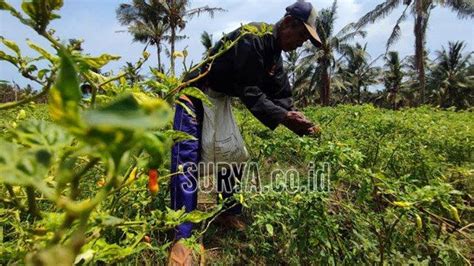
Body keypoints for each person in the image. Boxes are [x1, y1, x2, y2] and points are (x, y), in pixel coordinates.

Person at [168, 1, 322, 264]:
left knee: (234, 155)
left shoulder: (273, 54)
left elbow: (281, 93)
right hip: (194, 93)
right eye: (301, 36)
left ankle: (228, 211)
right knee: (187, 159)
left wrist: (301, 119)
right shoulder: (252, 39)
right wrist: (285, 119)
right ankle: (182, 236)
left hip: (218, 98)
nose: (301, 43)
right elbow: (250, 92)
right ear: (287, 23)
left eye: (306, 39)